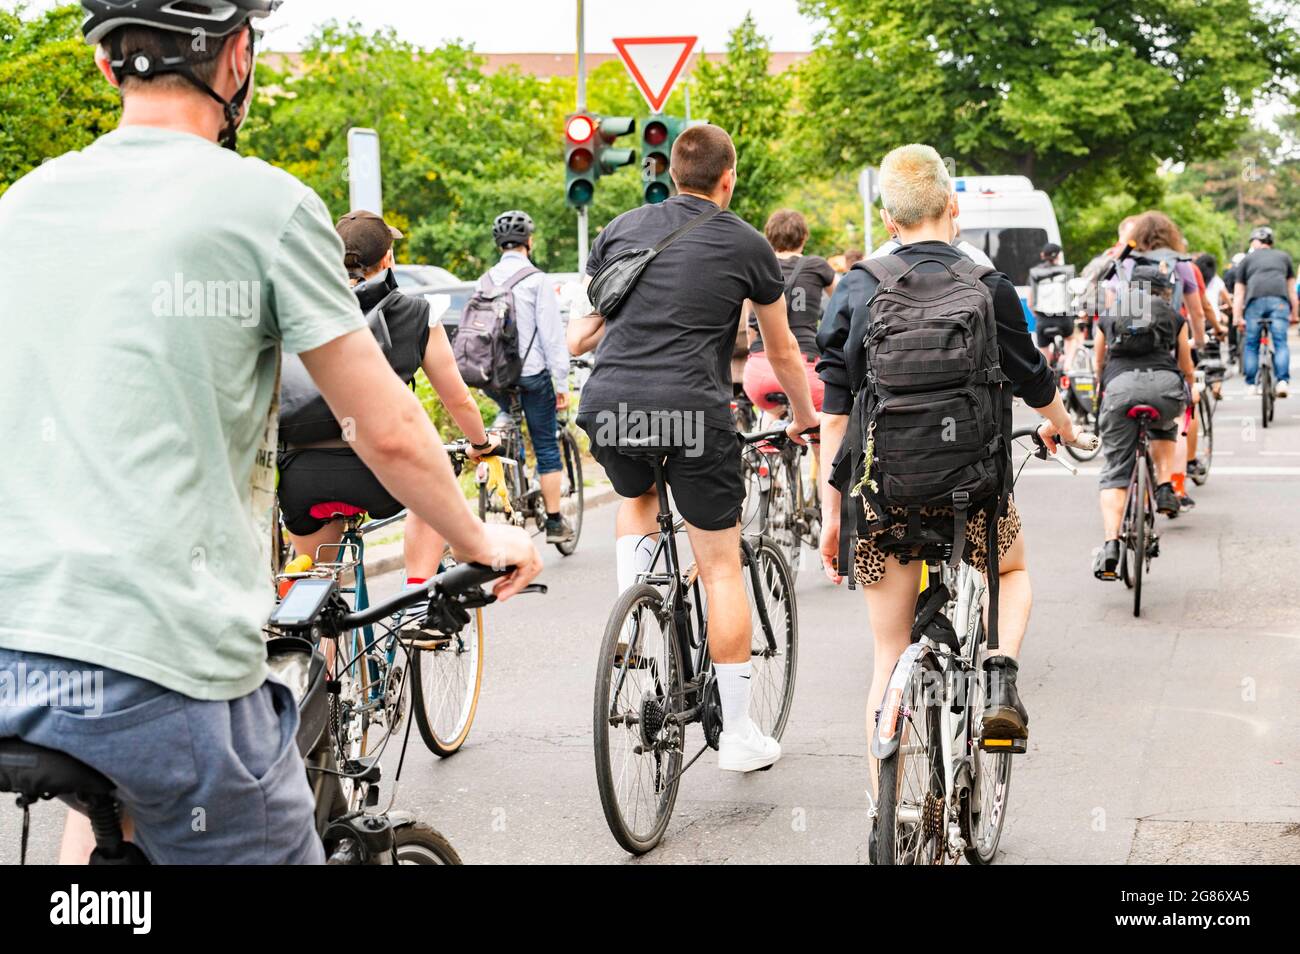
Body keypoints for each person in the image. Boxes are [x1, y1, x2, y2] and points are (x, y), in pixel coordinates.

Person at [0, 0, 539, 865]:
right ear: (238, 58)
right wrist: (484, 539)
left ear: (106, 67)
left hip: (16, 652)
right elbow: (388, 428)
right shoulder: (264, 203)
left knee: (109, 816)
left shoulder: (22, 205)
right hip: (160, 663)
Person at [816, 144, 1076, 827]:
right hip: (976, 493)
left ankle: (887, 815)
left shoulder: (857, 286)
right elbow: (1033, 379)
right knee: (1012, 571)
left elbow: (834, 414)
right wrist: (1066, 429)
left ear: (887, 214)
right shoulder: (990, 286)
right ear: (950, 205)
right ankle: (999, 671)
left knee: (886, 653)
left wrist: (829, 512)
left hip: (882, 500)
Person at [568, 124, 818, 773]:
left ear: (673, 172)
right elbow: (782, 349)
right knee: (719, 565)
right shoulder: (747, 242)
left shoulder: (621, 226)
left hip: (610, 404)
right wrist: (804, 416)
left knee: (639, 492)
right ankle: (735, 738)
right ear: (727, 178)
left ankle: (634, 608)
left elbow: (590, 322)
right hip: (690, 410)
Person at [277, 210, 500, 587]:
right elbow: (457, 399)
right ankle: (417, 599)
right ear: (388, 259)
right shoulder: (415, 314)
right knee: (434, 484)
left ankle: (311, 639)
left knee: (315, 590)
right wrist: (481, 443)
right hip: (379, 471)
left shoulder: (296, 310)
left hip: (301, 475)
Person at [1092, 257, 1196, 576]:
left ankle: (1110, 546)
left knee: (1115, 471)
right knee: (1164, 427)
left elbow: (1098, 363)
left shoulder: (1111, 314)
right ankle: (1165, 485)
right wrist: (1186, 390)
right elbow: (1186, 366)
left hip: (1121, 389)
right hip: (1163, 388)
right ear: (1163, 291)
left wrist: (1104, 388)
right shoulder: (1172, 315)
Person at [480, 210, 575, 542]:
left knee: (508, 418)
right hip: (532, 376)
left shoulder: (486, 280)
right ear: (529, 242)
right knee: (547, 445)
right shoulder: (536, 280)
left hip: (494, 378)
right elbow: (552, 338)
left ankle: (509, 472)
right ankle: (552, 522)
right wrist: (561, 384)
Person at [742, 209, 836, 416]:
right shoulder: (817, 266)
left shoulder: (756, 266)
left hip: (760, 369)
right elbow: (844, 299)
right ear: (804, 237)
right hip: (805, 368)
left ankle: (766, 446)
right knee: (818, 429)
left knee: (770, 416)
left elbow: (750, 327)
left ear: (769, 236)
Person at [1232, 226, 1297, 398]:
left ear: (1256, 242)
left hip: (1254, 303)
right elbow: (1292, 291)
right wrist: (1295, 315)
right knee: (1280, 342)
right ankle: (1282, 381)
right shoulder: (1284, 257)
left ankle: (1251, 384)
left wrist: (1237, 317)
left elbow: (1239, 293)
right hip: (1279, 302)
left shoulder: (1246, 260)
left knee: (1252, 344)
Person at [1028, 241, 1078, 360]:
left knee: (1044, 352)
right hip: (1064, 319)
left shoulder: (1035, 273)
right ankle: (1068, 365)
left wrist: (1037, 316)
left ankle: (1047, 370)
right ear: (1058, 255)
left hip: (1042, 320)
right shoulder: (1068, 270)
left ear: (1043, 255)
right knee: (1071, 339)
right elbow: (1075, 294)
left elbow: (1030, 302)